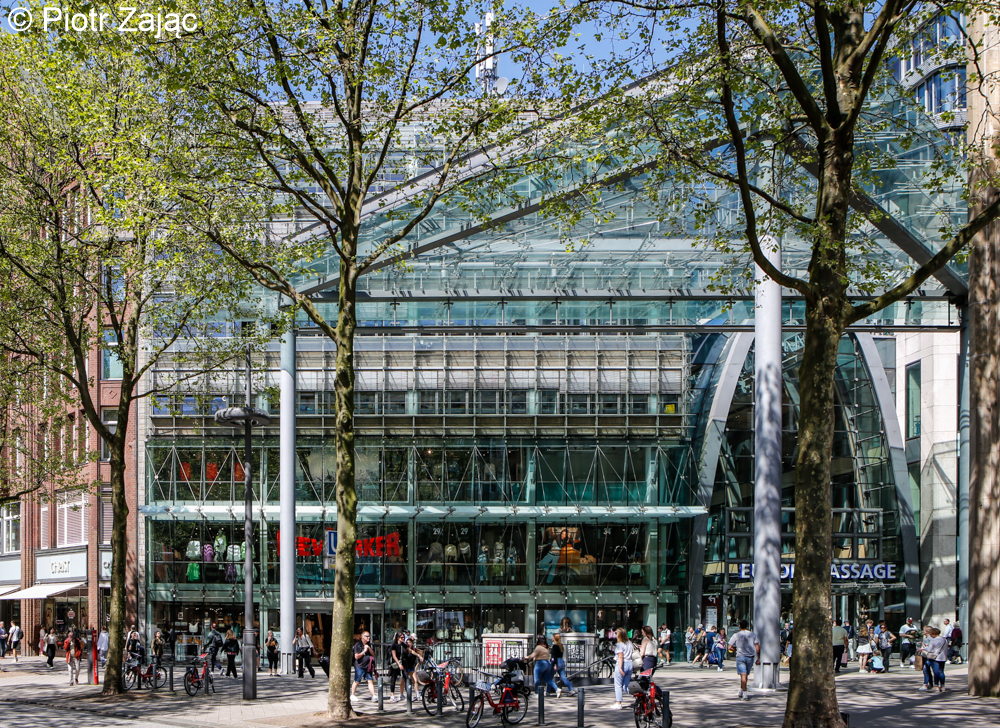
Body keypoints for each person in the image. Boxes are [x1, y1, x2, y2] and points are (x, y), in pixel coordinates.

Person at [727, 619, 760, 701]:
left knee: (743, 675)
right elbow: (757, 647)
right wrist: (758, 658)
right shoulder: (753, 634)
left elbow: (729, 647)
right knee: (745, 675)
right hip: (750, 657)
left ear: (739, 626)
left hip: (740, 656)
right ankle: (742, 691)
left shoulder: (736, 635)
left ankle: (744, 692)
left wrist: (735, 649)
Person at [919, 627, 948, 692]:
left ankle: (936, 686)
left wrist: (924, 647)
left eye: (931, 634)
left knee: (935, 672)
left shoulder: (933, 640)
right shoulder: (944, 639)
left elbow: (929, 649)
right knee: (941, 672)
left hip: (935, 657)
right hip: (943, 657)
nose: (931, 635)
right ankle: (942, 686)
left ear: (934, 634)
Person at [351, 630, 377, 701]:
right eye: (367, 636)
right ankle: (352, 695)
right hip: (360, 666)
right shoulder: (358, 645)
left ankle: (373, 695)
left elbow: (373, 654)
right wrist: (364, 651)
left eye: (369, 636)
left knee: (370, 680)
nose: (369, 638)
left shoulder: (369, 644)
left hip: (368, 666)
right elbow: (356, 656)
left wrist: (368, 648)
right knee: (357, 680)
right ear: (362, 637)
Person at [611, 627, 633, 710]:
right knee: (625, 685)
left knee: (618, 684)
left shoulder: (620, 644)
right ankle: (639, 696)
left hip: (622, 664)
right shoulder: (629, 643)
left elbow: (620, 657)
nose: (615, 635)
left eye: (616, 633)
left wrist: (620, 668)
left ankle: (618, 703)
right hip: (630, 663)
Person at [388, 632, 406, 702]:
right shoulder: (394, 645)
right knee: (393, 679)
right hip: (395, 664)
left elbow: (408, 650)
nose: (403, 639)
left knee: (404, 678)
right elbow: (394, 656)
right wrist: (399, 664)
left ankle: (401, 694)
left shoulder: (403, 645)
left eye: (403, 637)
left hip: (402, 663)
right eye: (401, 637)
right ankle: (392, 695)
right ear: (398, 638)